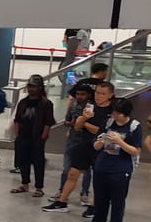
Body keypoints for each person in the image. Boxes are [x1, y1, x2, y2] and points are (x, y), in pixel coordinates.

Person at [45, 81, 114, 213]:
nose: (99, 96)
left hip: (101, 148)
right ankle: (62, 202)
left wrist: (85, 124)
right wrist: (83, 119)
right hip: (84, 144)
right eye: (97, 93)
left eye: (103, 94)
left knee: (99, 178)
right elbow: (77, 126)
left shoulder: (112, 111)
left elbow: (104, 133)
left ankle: (96, 207)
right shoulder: (90, 106)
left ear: (110, 95)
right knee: (73, 173)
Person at [89, 99, 142, 222]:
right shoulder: (108, 123)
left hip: (120, 169)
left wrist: (120, 142)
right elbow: (96, 145)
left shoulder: (134, 127)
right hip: (102, 166)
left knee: (117, 202)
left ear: (123, 114)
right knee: (100, 199)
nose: (112, 114)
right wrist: (100, 142)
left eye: (116, 112)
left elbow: (135, 151)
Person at [54, 82, 94, 203]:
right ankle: (62, 191)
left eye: (82, 94)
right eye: (77, 94)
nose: (79, 96)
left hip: (87, 141)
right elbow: (67, 121)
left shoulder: (92, 108)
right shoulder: (73, 105)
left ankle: (85, 192)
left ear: (88, 95)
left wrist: (82, 123)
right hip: (73, 140)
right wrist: (71, 123)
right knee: (67, 168)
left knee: (86, 170)